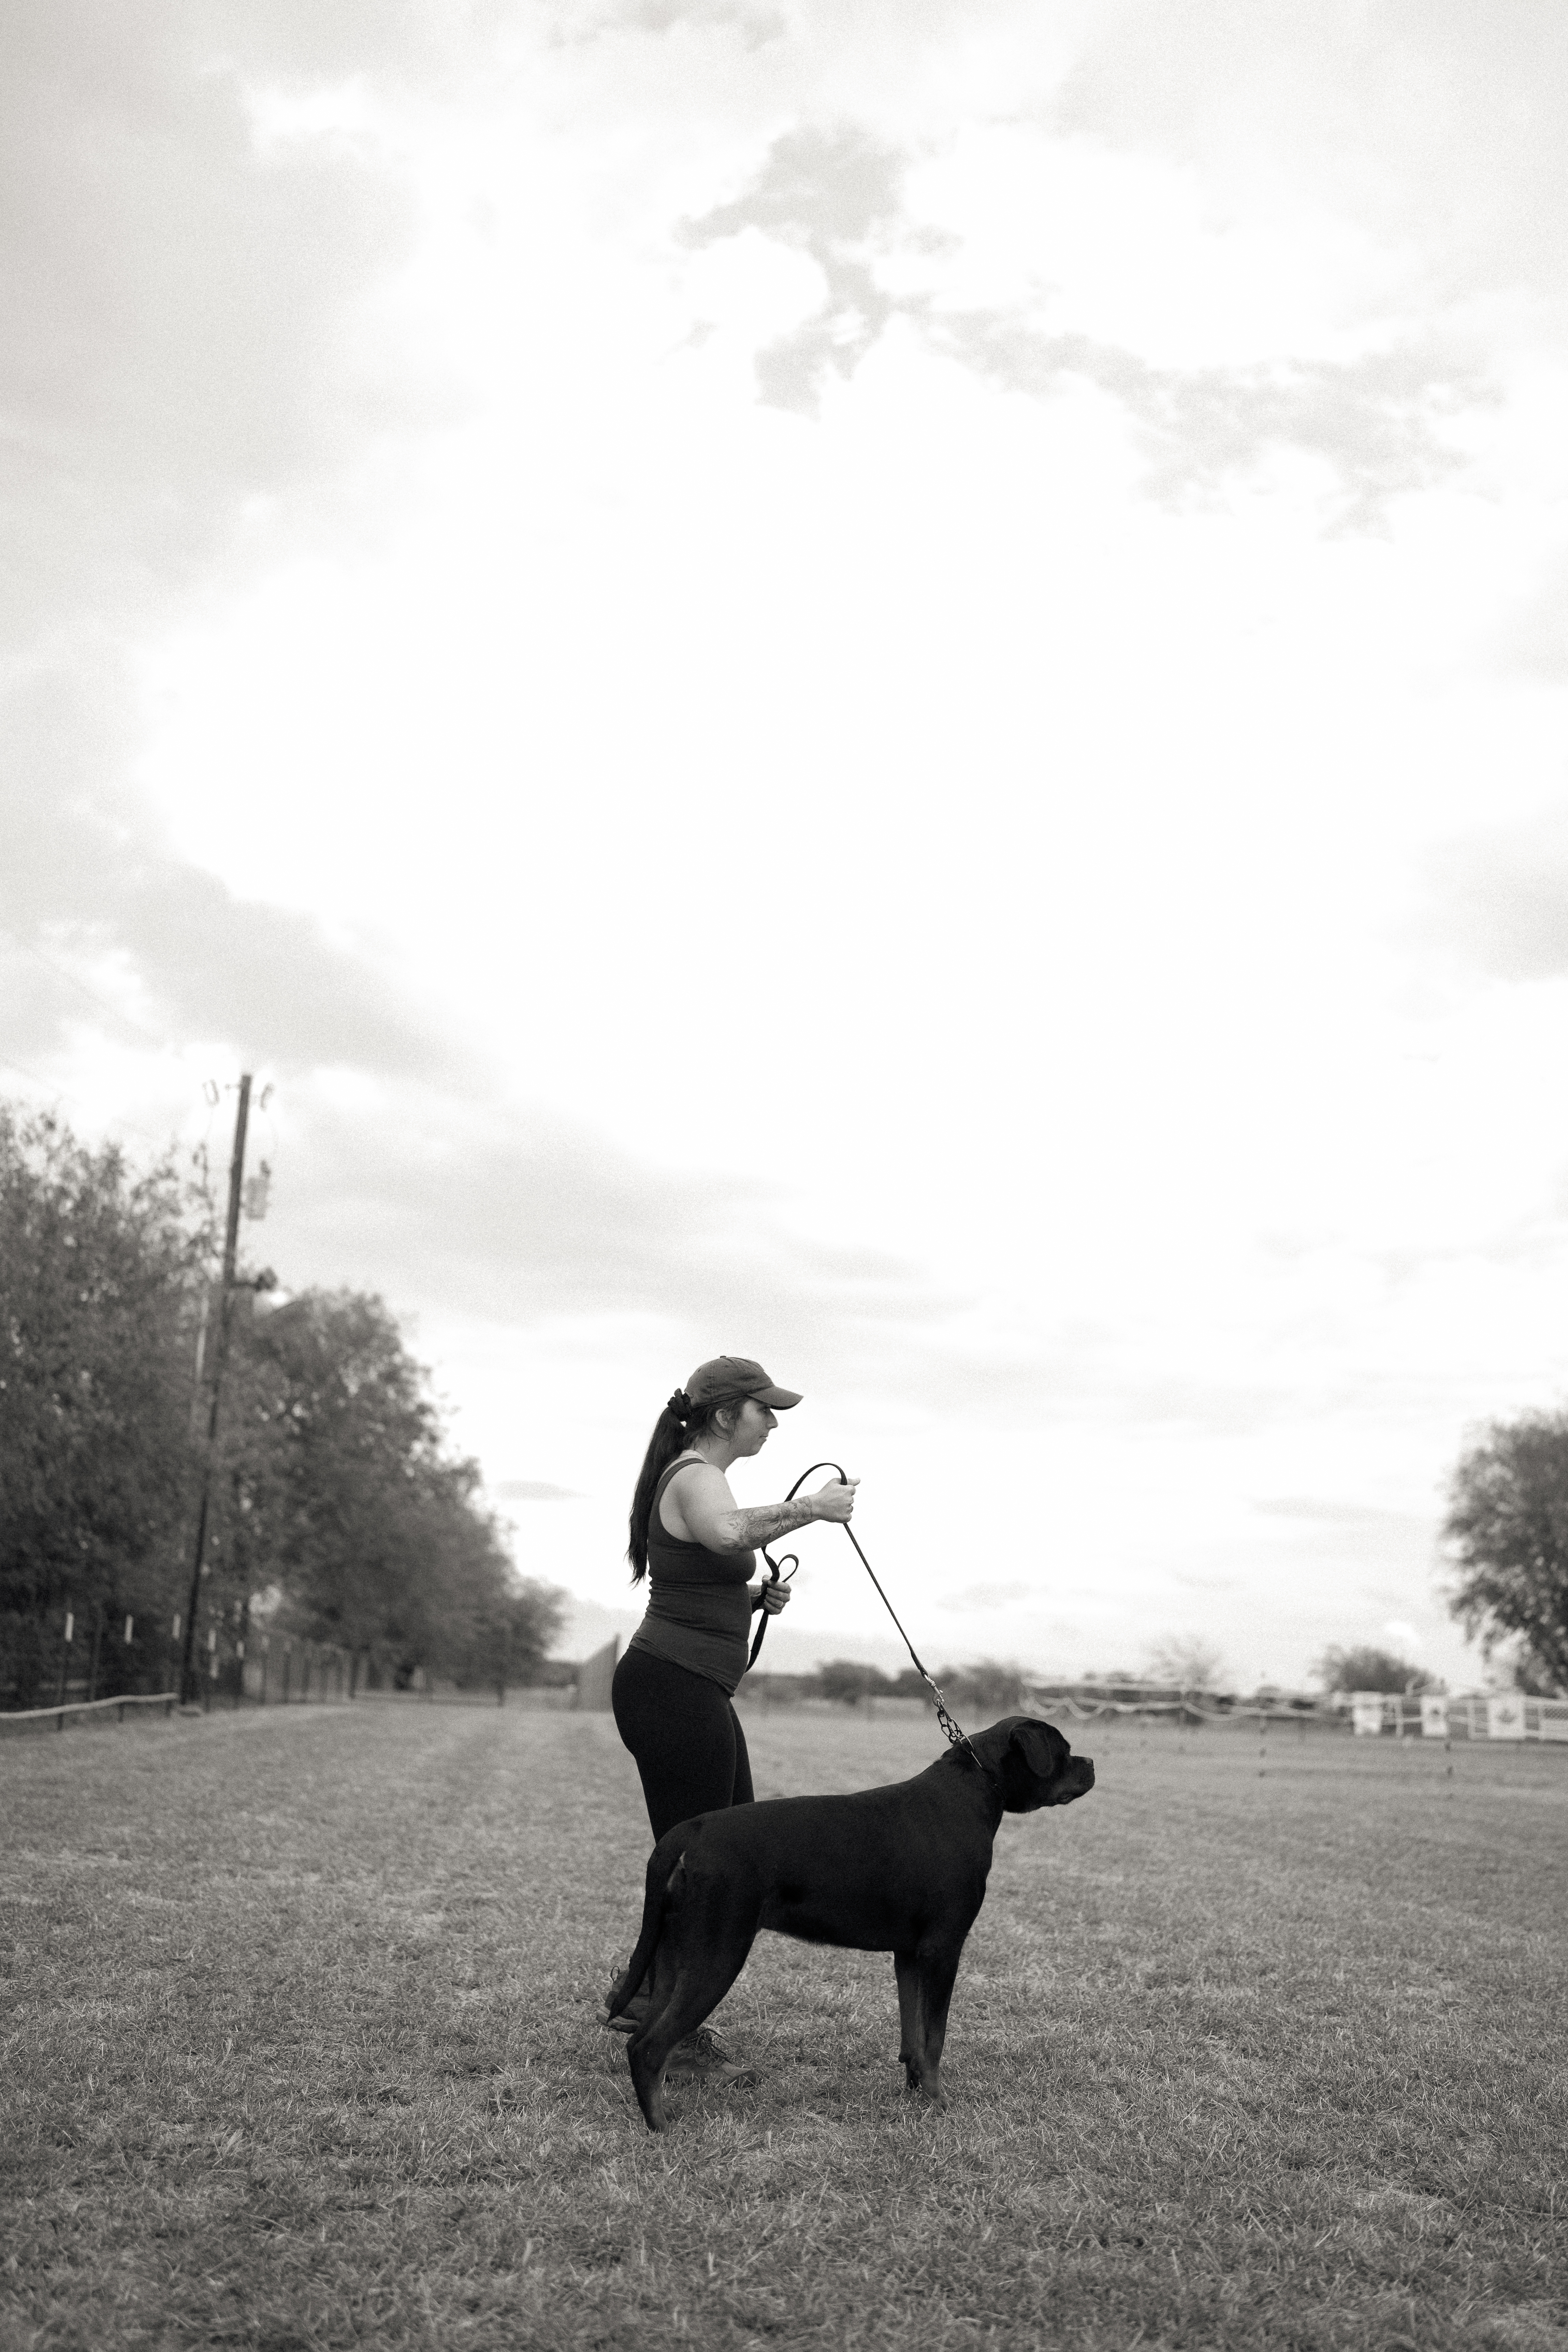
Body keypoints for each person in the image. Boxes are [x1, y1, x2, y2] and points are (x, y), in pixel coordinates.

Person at [606, 1355, 857, 2085]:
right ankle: (659, 2015)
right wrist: (813, 1508)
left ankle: (647, 1997)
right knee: (708, 1863)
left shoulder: (701, 1477)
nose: (773, 1424)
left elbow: (701, 1571)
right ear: (725, 1416)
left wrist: (750, 1602)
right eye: (763, 1410)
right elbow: (724, 1535)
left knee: (726, 1849)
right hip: (671, 1689)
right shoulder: (696, 1476)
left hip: (686, 1686)